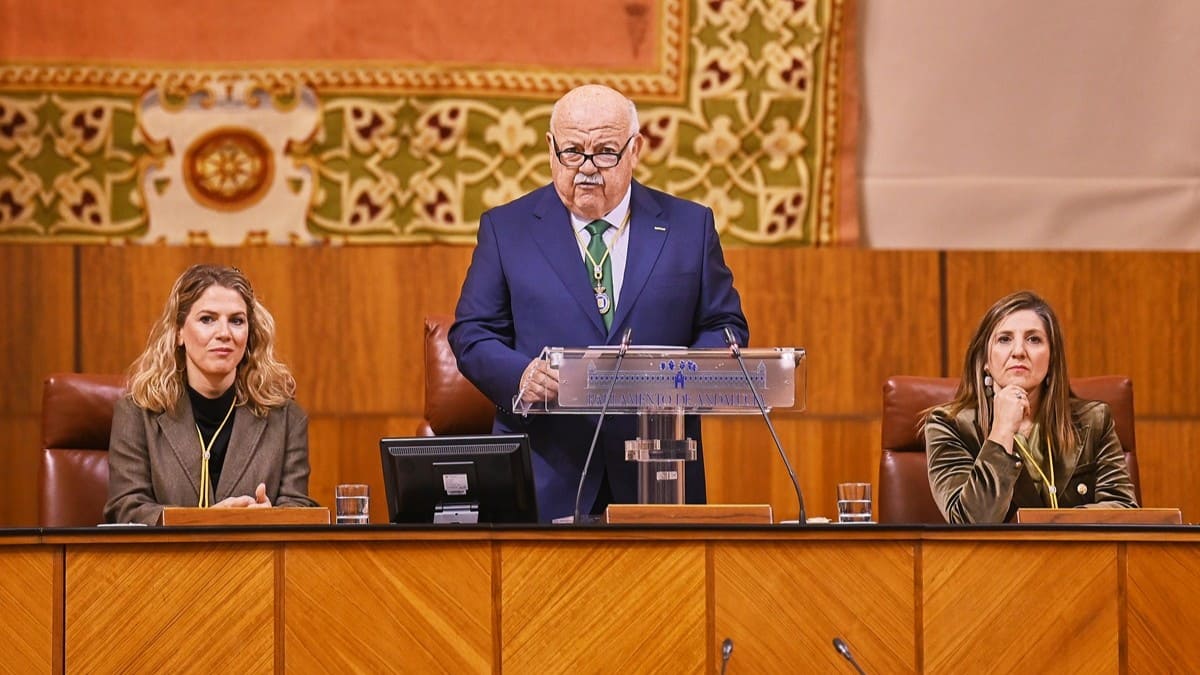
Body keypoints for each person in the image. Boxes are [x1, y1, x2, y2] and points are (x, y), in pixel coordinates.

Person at [449, 84, 749, 522]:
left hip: (658, 468)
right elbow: (472, 333)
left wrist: (679, 376)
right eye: (572, 151)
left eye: (605, 152)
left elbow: (725, 326)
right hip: (548, 471)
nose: (587, 168)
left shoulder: (689, 226)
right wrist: (523, 375)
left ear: (635, 149)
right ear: (551, 148)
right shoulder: (506, 228)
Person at [105, 264, 317, 524]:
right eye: (207, 319)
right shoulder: (137, 414)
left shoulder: (286, 418)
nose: (224, 334)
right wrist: (208, 521)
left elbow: (298, 508)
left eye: (236, 321)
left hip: (254, 551)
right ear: (179, 332)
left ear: (249, 333)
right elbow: (126, 508)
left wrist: (271, 518)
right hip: (168, 552)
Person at [924, 290, 1138, 523]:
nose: (1018, 352)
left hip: (1078, 548)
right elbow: (971, 523)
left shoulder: (1094, 420)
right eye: (1004, 339)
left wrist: (1055, 526)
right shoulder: (949, 425)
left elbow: (1123, 510)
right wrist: (1001, 431)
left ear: (1052, 358)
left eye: (1033, 339)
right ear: (985, 360)